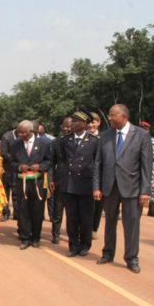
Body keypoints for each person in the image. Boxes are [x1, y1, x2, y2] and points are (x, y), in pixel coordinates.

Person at [94, 104, 152, 273]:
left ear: (124, 116)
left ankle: (131, 258)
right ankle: (108, 253)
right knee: (110, 221)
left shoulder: (141, 135)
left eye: (112, 115)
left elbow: (146, 165)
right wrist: (96, 187)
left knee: (132, 225)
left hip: (132, 188)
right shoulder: (105, 136)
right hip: (109, 187)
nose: (109, 118)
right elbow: (98, 163)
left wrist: (145, 190)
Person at [59, 110, 99, 257]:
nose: (73, 124)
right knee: (71, 217)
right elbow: (62, 159)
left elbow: (97, 163)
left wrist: (96, 186)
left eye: (76, 122)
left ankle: (85, 244)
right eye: (73, 121)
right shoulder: (66, 140)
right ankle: (73, 245)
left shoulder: (94, 141)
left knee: (86, 217)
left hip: (85, 184)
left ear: (84, 124)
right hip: (69, 184)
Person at [11, 120, 53, 249]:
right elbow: (11, 163)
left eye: (23, 132)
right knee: (23, 210)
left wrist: (40, 166)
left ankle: (36, 237)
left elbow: (50, 161)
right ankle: (24, 238)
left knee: (37, 210)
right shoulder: (16, 145)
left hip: (38, 182)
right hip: (22, 183)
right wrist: (19, 166)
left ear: (31, 132)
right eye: (19, 132)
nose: (20, 135)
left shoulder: (44, 143)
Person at [49, 117, 73, 244]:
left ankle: (72, 235)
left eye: (69, 126)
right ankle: (55, 234)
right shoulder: (56, 143)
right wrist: (51, 179)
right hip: (60, 180)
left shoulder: (77, 142)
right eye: (65, 126)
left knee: (72, 212)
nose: (67, 129)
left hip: (75, 181)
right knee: (57, 210)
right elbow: (52, 163)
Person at [140, 122, 154, 217]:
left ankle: (152, 208)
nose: (145, 130)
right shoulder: (135, 139)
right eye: (143, 128)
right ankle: (138, 208)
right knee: (139, 187)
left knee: (153, 186)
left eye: (146, 128)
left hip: (151, 165)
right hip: (139, 166)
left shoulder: (153, 140)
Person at [89, 113, 104, 238]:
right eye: (89, 122)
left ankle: (94, 228)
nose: (91, 125)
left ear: (99, 123)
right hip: (84, 176)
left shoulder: (104, 138)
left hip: (99, 177)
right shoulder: (82, 137)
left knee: (98, 205)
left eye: (94, 122)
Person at [0, 127, 19, 221]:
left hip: (17, 169)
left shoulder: (22, 137)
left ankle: (17, 213)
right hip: (7, 168)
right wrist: (16, 160)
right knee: (5, 191)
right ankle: (5, 212)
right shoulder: (6, 137)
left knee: (16, 191)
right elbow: (3, 153)